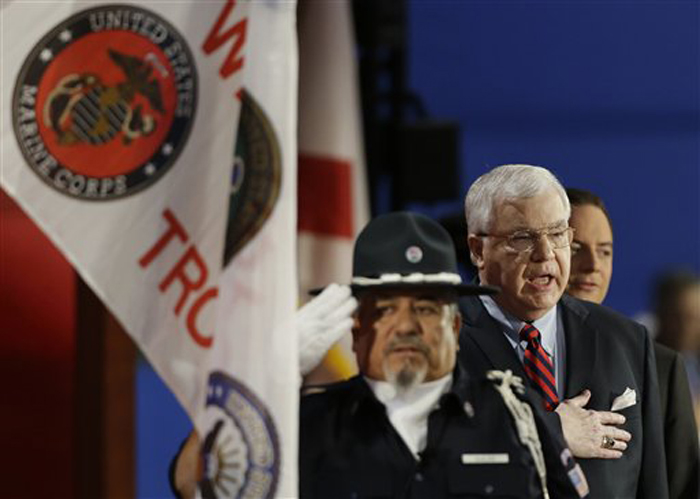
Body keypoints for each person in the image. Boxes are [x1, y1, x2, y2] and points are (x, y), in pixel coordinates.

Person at [301, 211, 587, 498]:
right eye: (385, 310)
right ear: (357, 330)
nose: (405, 327)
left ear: (455, 325)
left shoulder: (516, 416)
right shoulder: (307, 426)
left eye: (425, 309)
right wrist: (274, 376)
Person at [459, 164, 668, 499]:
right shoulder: (442, 341)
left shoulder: (626, 340)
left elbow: (651, 485)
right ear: (477, 250)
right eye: (523, 238)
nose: (546, 255)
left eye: (557, 235)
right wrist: (552, 431)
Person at [565, 188, 699, 499]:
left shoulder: (658, 364)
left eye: (605, 251)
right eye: (575, 248)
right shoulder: (513, 351)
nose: (593, 265)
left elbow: (682, 486)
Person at [653, 271, 700, 430]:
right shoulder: (643, 365)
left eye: (693, 317)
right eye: (677, 317)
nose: (685, 327)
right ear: (660, 314)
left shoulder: (694, 360)